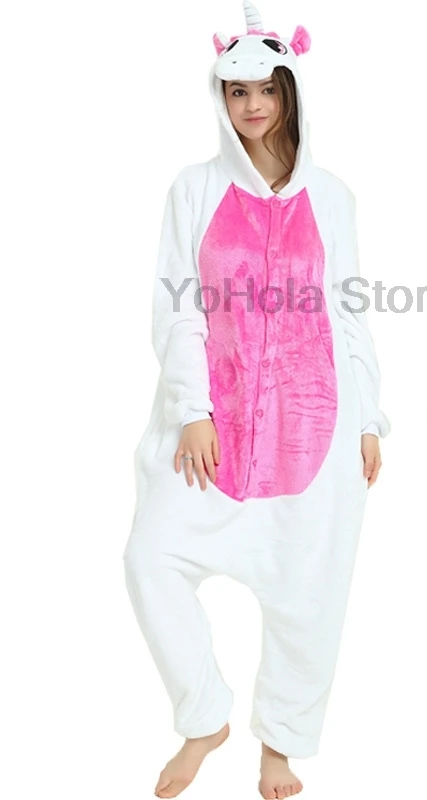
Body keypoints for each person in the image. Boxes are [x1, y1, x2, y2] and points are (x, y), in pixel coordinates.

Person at [123, 3, 389, 798]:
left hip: (315, 427)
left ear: (291, 90)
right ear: (220, 97)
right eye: (236, 91)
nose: (252, 105)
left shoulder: (334, 197)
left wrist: (369, 418)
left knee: (308, 593)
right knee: (150, 558)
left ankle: (281, 746)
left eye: (267, 88)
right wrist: (193, 408)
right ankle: (205, 717)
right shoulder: (195, 189)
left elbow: (349, 311)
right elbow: (177, 307)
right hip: (214, 428)